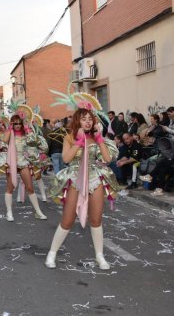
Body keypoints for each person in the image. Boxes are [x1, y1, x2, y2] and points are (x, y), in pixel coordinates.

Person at [45, 94, 119, 270]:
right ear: (77, 120)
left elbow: (108, 159)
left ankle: (100, 256)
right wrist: (79, 141)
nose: (87, 122)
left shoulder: (97, 136)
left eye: (90, 119)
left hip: (95, 177)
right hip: (75, 178)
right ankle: (52, 253)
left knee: (96, 219)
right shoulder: (69, 137)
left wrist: (100, 139)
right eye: (84, 119)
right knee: (68, 220)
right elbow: (66, 158)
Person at [0, 104, 48, 221]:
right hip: (11, 162)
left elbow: (35, 142)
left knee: (30, 187)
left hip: (23, 162)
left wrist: (28, 130)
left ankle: (38, 211)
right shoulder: (10, 132)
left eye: (19, 123)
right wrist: (10, 128)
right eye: (15, 123)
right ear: (12, 124)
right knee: (10, 188)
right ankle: (9, 212)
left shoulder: (26, 132)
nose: (17, 125)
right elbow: (5, 140)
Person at [140, 128, 174, 196]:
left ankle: (150, 176)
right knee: (163, 170)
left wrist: (172, 157)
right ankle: (159, 189)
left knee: (163, 161)